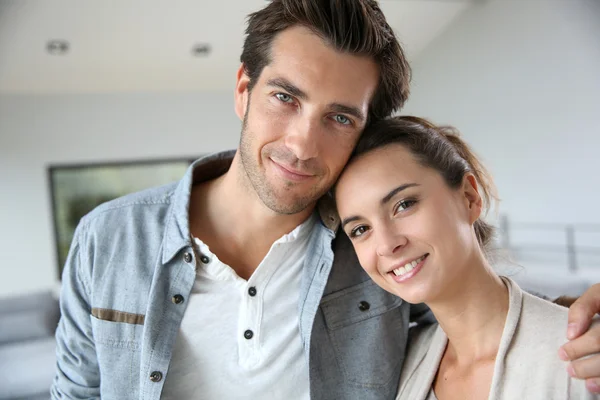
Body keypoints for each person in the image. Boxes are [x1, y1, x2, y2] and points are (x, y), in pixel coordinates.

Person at [51, 1, 600, 399]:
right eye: (284, 97)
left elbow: (483, 304)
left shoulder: (367, 252)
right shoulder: (108, 239)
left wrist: (586, 317)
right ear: (244, 89)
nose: (301, 144)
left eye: (339, 117)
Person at [334, 116, 599, 399]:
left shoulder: (584, 355)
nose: (386, 245)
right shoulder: (397, 369)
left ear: (469, 197)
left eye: (404, 204)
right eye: (361, 229)